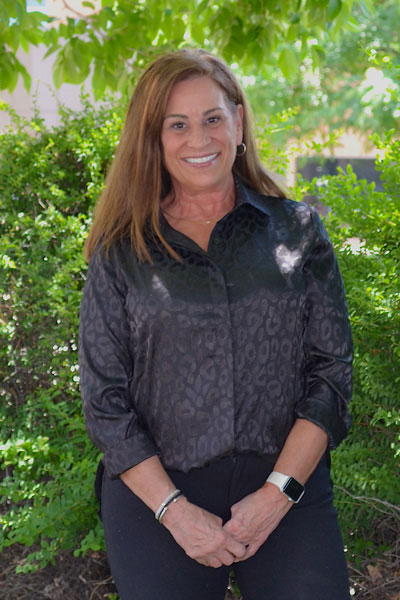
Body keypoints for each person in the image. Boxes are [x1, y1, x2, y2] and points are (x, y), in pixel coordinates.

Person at [79, 48, 353, 600]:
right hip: (158, 497)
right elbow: (105, 402)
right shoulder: (119, 252)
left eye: (212, 119)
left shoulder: (297, 231)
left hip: (285, 484)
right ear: (153, 140)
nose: (198, 140)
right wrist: (175, 512)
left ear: (238, 120)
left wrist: (278, 493)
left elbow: (330, 376)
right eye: (176, 125)